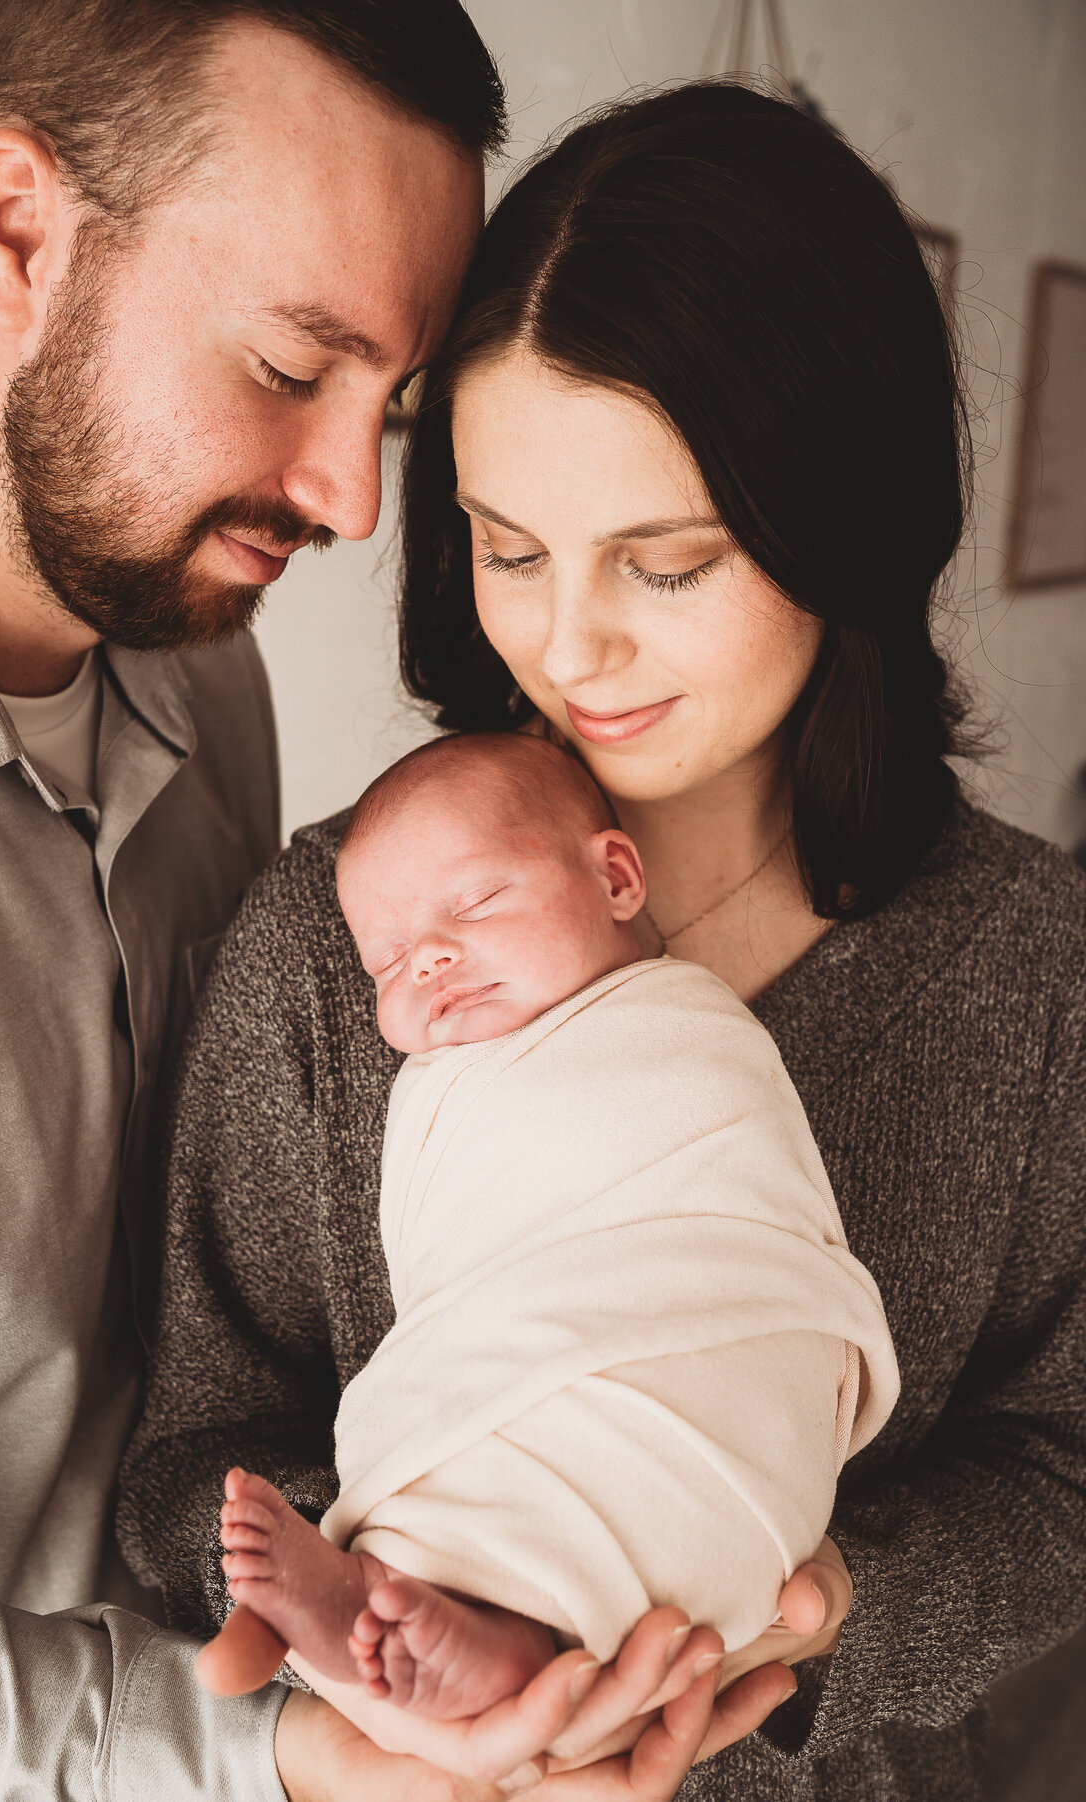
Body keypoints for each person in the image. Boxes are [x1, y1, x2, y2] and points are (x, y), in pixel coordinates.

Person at [120, 79, 1086, 1802]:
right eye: (508, 547)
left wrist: (823, 1613)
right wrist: (366, 1662)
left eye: (670, 561)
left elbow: (1065, 1466)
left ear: (839, 526)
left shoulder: (1035, 975)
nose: (572, 646)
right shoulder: (335, 950)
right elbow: (195, 1452)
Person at [0, 1, 501, 1797]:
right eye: (292, 366)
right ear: (18, 230)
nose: (350, 495)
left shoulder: (203, 669)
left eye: (390, 398)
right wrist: (262, 1757)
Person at [188, 732, 897, 1725]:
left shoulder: (686, 1035)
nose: (427, 956)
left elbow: (746, 1215)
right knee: (481, 1469)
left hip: (718, 1434)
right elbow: (452, 1301)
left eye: (472, 904)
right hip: (524, 1419)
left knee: (581, 1456)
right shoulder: (422, 1079)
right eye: (385, 960)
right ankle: (449, 1630)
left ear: (613, 875)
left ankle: (434, 1619)